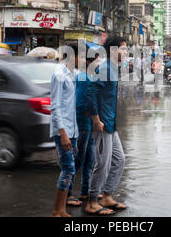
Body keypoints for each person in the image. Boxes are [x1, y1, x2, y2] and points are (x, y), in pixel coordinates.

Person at [84, 36, 128, 216]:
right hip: (102, 124)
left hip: (110, 123)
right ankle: (92, 201)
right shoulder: (105, 68)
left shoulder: (113, 68)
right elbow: (90, 94)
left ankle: (107, 195)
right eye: (123, 49)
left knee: (119, 159)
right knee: (102, 164)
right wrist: (96, 119)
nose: (125, 52)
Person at [51, 44, 80, 217]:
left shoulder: (73, 74)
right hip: (63, 130)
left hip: (73, 129)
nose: (83, 61)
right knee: (68, 169)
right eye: (81, 57)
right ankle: (57, 210)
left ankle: (61, 209)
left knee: (69, 168)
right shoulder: (59, 74)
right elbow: (55, 107)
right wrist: (62, 133)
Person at [67, 45, 98, 206]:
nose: (99, 63)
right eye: (97, 60)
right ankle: (69, 193)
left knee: (89, 160)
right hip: (83, 124)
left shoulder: (88, 78)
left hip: (89, 125)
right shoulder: (84, 79)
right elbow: (80, 104)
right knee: (78, 159)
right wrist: (93, 118)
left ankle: (86, 191)